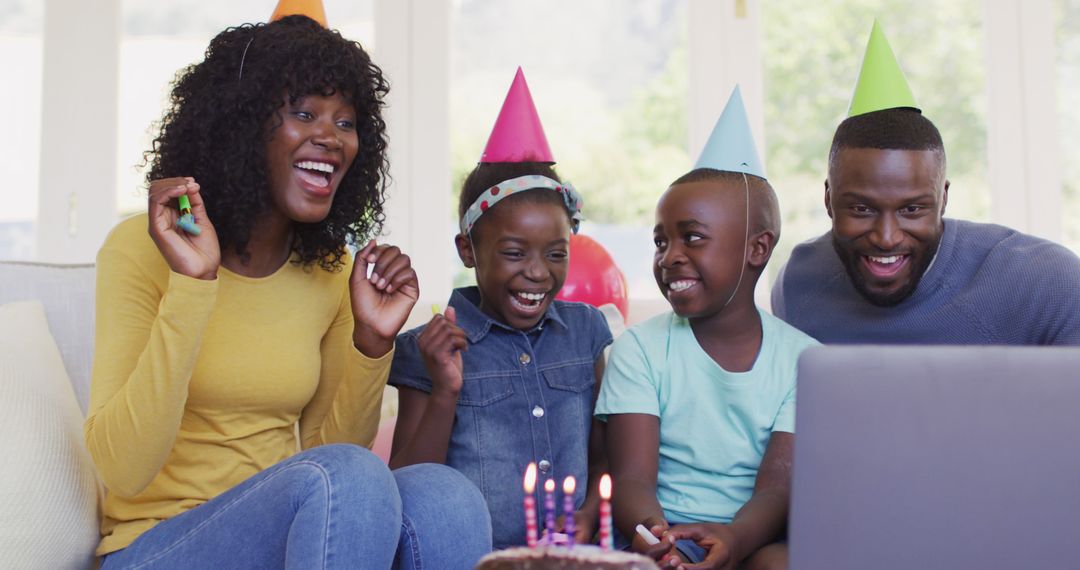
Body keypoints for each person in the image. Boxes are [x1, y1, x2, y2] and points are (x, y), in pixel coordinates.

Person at [85, 11, 490, 569]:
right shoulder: (144, 247)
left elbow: (335, 456)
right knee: (346, 475)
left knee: (446, 496)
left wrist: (372, 344)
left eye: (346, 122)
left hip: (284, 545)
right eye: (304, 113)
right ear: (242, 126)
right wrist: (194, 283)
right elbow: (121, 467)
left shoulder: (329, 270)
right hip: (156, 548)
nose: (330, 136)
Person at [387, 69, 613, 549]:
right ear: (468, 251)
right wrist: (446, 389)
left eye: (556, 253)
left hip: (573, 554)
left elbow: (603, 453)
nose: (538, 272)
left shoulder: (586, 330)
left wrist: (590, 517)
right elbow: (406, 487)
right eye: (514, 253)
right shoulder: (423, 349)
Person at [596, 87, 818, 570]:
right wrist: (657, 539)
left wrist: (734, 539)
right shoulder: (641, 348)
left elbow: (779, 487)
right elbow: (631, 479)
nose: (670, 256)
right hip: (659, 530)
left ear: (756, 249)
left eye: (691, 238)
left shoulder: (804, 360)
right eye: (661, 241)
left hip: (754, 536)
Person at [771, 21, 1080, 345]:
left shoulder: (1045, 283)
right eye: (862, 209)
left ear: (943, 199)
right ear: (828, 200)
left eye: (912, 209)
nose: (886, 238)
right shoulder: (799, 285)